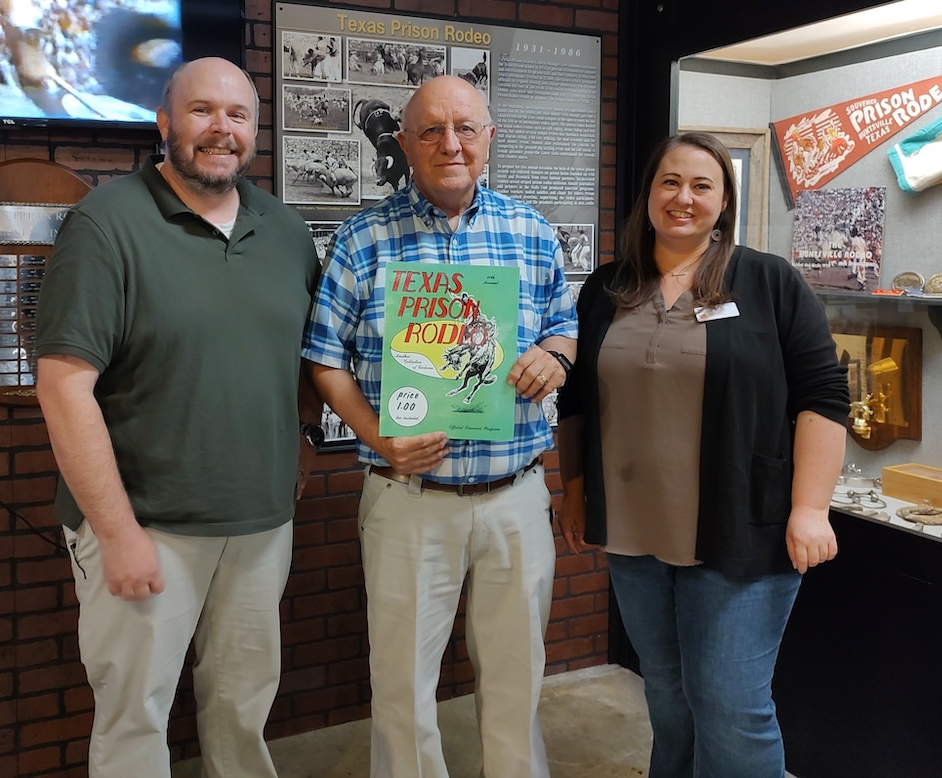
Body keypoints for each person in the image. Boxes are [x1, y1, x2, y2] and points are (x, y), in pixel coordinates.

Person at [35, 57, 322, 778]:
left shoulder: (284, 232)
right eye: (201, 111)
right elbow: (64, 387)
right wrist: (118, 532)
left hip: (260, 528)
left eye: (237, 115)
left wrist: (306, 434)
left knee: (243, 707)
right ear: (164, 123)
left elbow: (308, 358)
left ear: (254, 133)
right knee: (135, 718)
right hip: (146, 528)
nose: (220, 129)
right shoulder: (104, 224)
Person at [302, 75, 578, 778]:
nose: (449, 143)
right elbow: (325, 360)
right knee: (401, 687)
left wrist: (555, 358)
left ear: (491, 139)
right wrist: (375, 436)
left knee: (517, 680)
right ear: (403, 144)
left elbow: (565, 327)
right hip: (408, 498)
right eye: (429, 130)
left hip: (516, 495)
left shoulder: (532, 231)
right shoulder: (362, 239)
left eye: (464, 128)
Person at [557, 131, 850, 778]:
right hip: (635, 536)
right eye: (669, 182)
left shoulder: (768, 281)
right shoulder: (607, 288)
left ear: (724, 202)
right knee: (666, 696)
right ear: (648, 194)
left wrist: (811, 507)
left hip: (743, 528)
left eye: (701, 185)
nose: (682, 197)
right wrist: (574, 489)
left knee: (730, 707)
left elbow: (824, 394)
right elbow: (577, 400)